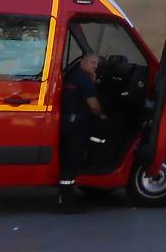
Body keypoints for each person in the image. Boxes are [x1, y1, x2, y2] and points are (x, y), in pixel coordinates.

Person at [57, 52, 106, 214]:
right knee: (72, 163)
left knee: (68, 160)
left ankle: (65, 198)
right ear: (83, 63)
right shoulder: (85, 80)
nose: (95, 66)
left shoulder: (73, 76)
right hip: (78, 126)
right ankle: (66, 203)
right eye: (92, 62)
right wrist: (102, 116)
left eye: (96, 64)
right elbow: (93, 105)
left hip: (67, 123)